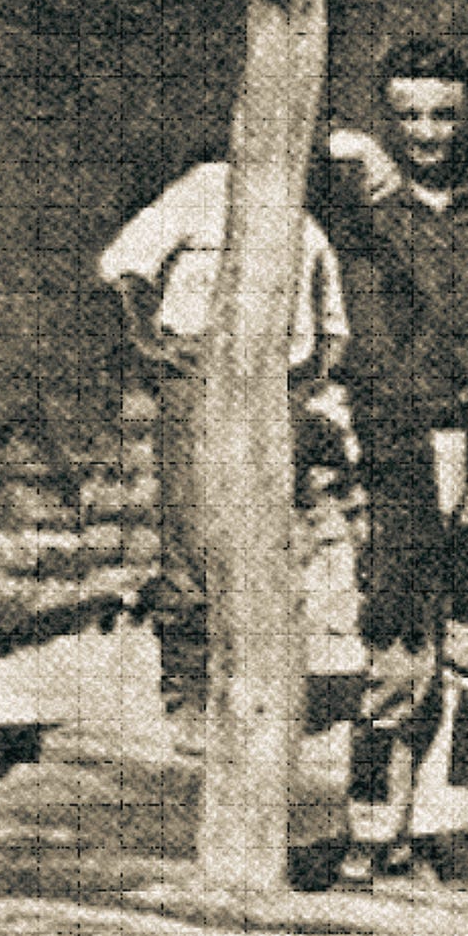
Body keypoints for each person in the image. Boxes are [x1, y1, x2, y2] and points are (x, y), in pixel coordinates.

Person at [325, 36, 468, 886]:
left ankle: (447, 830)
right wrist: (349, 146)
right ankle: (368, 833)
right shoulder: (361, 212)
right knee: (394, 652)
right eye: (411, 115)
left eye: (444, 115)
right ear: (391, 117)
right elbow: (284, 153)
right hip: (395, 449)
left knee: (464, 652)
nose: (428, 132)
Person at [97, 154, 351, 754]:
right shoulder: (207, 187)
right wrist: (153, 344)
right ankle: (187, 693)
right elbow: (125, 264)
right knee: (191, 535)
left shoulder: (311, 217)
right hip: (198, 378)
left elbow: (333, 326)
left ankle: (259, 693)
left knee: (266, 539)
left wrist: (303, 388)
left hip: (276, 386)